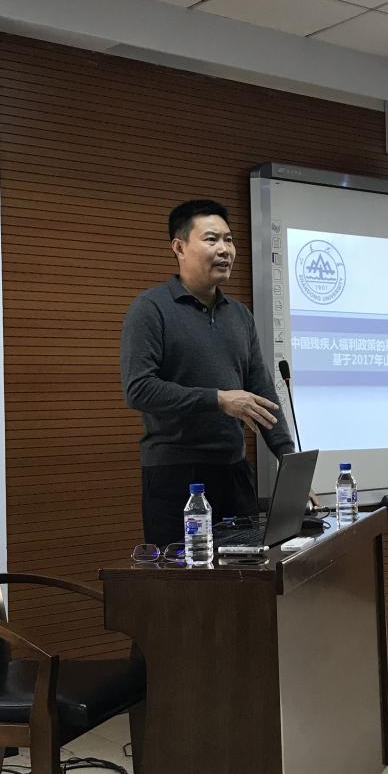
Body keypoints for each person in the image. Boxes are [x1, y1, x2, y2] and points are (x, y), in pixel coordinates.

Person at [120, 199, 295, 548]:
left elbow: (261, 391)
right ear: (179, 247)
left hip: (234, 471)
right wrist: (218, 399)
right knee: (187, 577)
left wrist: (288, 460)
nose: (224, 249)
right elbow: (139, 389)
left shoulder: (239, 315)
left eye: (228, 240)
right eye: (212, 239)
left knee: (247, 571)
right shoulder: (151, 309)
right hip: (176, 476)